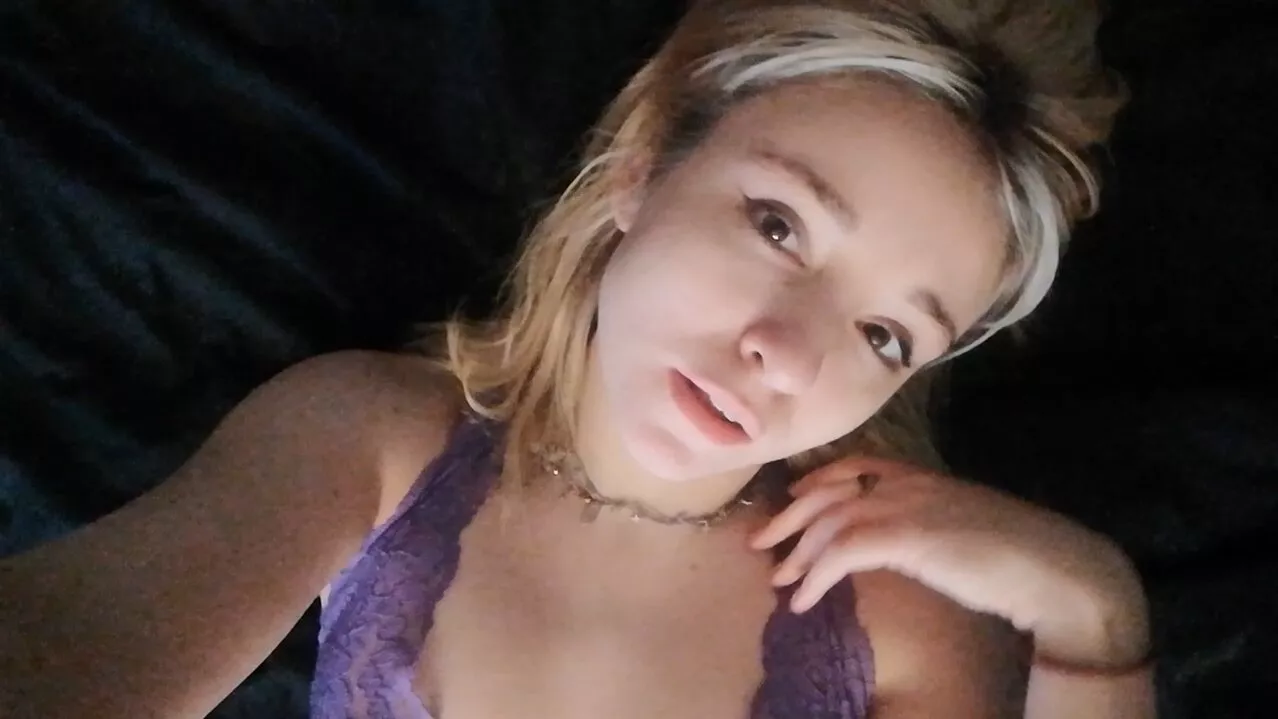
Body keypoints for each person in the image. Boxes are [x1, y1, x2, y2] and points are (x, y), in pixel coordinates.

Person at [0, 0, 1152, 717]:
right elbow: (78, 641)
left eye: (886, 333)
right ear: (641, 171)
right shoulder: (375, 441)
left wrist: (1097, 625)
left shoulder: (895, 611)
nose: (785, 354)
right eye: (778, 224)